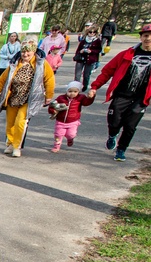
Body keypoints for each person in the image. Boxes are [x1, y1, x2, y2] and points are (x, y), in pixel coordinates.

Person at [88, 23, 151, 162]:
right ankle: (112, 135)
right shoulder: (126, 54)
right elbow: (108, 71)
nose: (148, 39)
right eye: (146, 35)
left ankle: (121, 149)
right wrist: (95, 86)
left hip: (140, 98)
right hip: (122, 94)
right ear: (141, 37)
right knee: (114, 121)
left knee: (130, 126)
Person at [0, 41, 55, 157]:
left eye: (28, 51)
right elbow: (1, 81)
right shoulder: (14, 64)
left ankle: (16, 147)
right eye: (23, 51)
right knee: (10, 123)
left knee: (20, 122)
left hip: (29, 99)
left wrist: (49, 96)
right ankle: (9, 143)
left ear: (33, 51)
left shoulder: (41, 64)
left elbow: (49, 79)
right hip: (13, 98)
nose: (25, 54)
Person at [48, 81, 95, 152]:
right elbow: (53, 105)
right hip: (60, 121)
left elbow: (86, 103)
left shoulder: (81, 98)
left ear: (78, 92)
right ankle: (56, 146)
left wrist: (90, 98)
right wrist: (52, 111)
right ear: (66, 91)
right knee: (58, 134)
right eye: (70, 91)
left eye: (75, 91)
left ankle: (70, 139)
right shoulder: (61, 98)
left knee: (71, 134)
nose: (72, 93)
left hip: (73, 121)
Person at [73, 25, 103, 92]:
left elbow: (99, 50)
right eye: (90, 32)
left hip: (90, 59)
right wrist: (80, 52)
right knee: (77, 74)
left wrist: (91, 51)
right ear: (87, 32)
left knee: (86, 75)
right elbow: (78, 49)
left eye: (94, 32)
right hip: (81, 58)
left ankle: (85, 86)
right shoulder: (84, 40)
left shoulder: (97, 41)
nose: (92, 33)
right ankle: (76, 87)